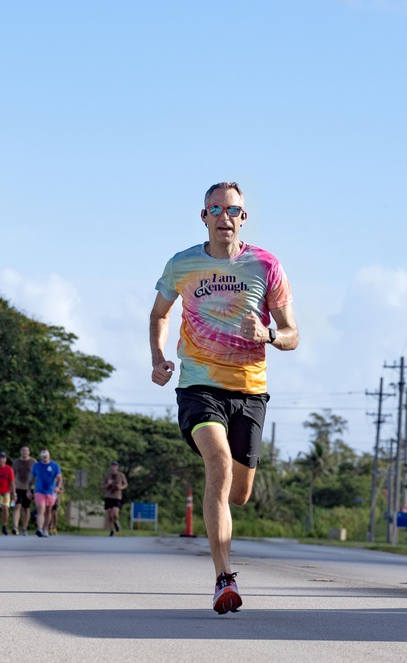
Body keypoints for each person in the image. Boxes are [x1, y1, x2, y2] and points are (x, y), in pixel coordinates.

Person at [150, 181, 298, 614]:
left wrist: (269, 334)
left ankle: (226, 523)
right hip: (198, 384)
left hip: (250, 389)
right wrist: (158, 358)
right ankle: (223, 577)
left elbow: (293, 335)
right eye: (215, 209)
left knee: (239, 493)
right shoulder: (182, 264)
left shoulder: (266, 265)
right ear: (204, 216)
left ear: (242, 217)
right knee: (216, 464)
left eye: (232, 210)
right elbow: (159, 314)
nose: (223, 217)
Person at [30, 448, 62, 537]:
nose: (45, 458)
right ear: (41, 457)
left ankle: (45, 529)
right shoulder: (36, 466)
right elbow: (31, 478)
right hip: (39, 491)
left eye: (46, 456)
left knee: (48, 511)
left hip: (51, 492)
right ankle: (39, 529)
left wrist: (58, 487)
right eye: (43, 456)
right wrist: (29, 489)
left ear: (49, 456)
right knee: (41, 509)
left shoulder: (54, 466)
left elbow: (59, 478)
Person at [11, 446, 36, 535]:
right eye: (23, 450)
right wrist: (12, 488)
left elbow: (36, 475)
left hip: (28, 488)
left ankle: (24, 528)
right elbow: (12, 475)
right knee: (17, 506)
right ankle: (15, 527)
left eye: (26, 450)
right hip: (17, 487)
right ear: (20, 452)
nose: (24, 452)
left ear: (29, 452)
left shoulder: (33, 462)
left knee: (26, 508)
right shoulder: (16, 462)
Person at [102, 461, 129, 536]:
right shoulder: (107, 475)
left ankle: (116, 521)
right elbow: (102, 486)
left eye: (115, 466)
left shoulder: (121, 475)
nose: (114, 467)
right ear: (111, 467)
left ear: (117, 467)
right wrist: (108, 484)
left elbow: (126, 484)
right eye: (112, 466)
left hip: (117, 496)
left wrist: (121, 487)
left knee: (115, 513)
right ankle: (111, 530)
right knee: (109, 514)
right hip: (108, 496)